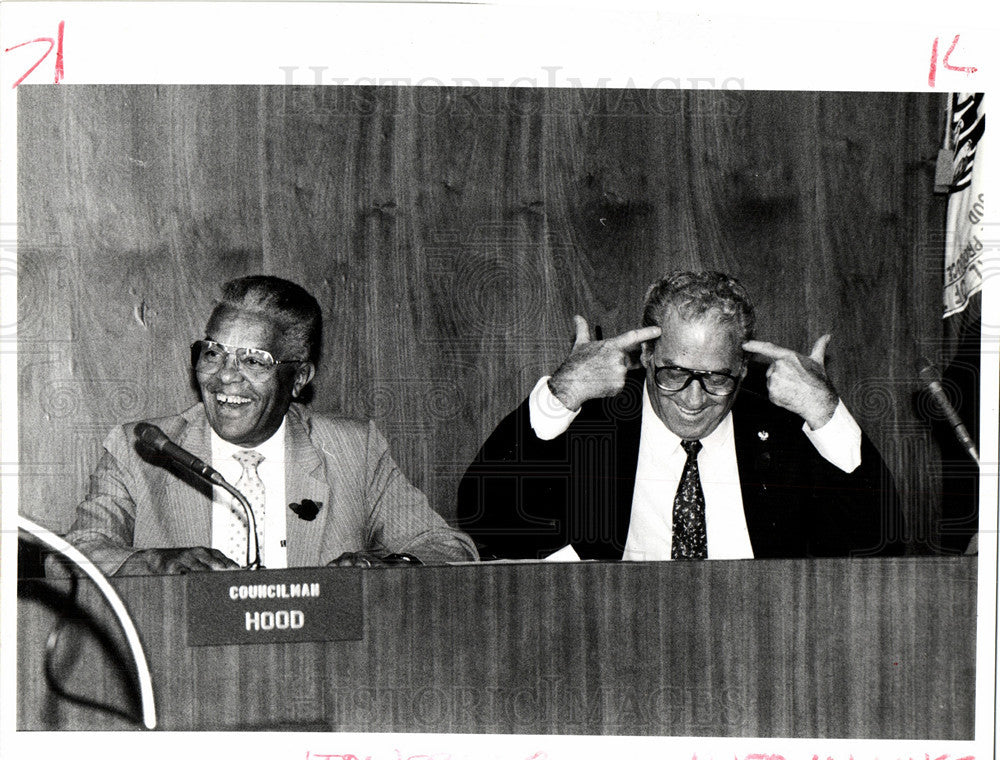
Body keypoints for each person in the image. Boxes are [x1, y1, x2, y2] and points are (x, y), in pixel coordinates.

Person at [457, 269, 905, 560]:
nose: (693, 399)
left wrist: (828, 415)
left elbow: (884, 543)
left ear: (743, 369)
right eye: (673, 372)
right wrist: (560, 395)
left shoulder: (781, 426)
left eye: (716, 377)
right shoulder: (600, 420)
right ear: (647, 355)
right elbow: (482, 514)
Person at [63, 275, 477, 575]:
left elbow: (448, 547)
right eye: (212, 354)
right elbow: (71, 556)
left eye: (253, 361)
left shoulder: (354, 451)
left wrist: (385, 565)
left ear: (298, 379)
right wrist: (151, 562)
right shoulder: (145, 450)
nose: (225, 376)